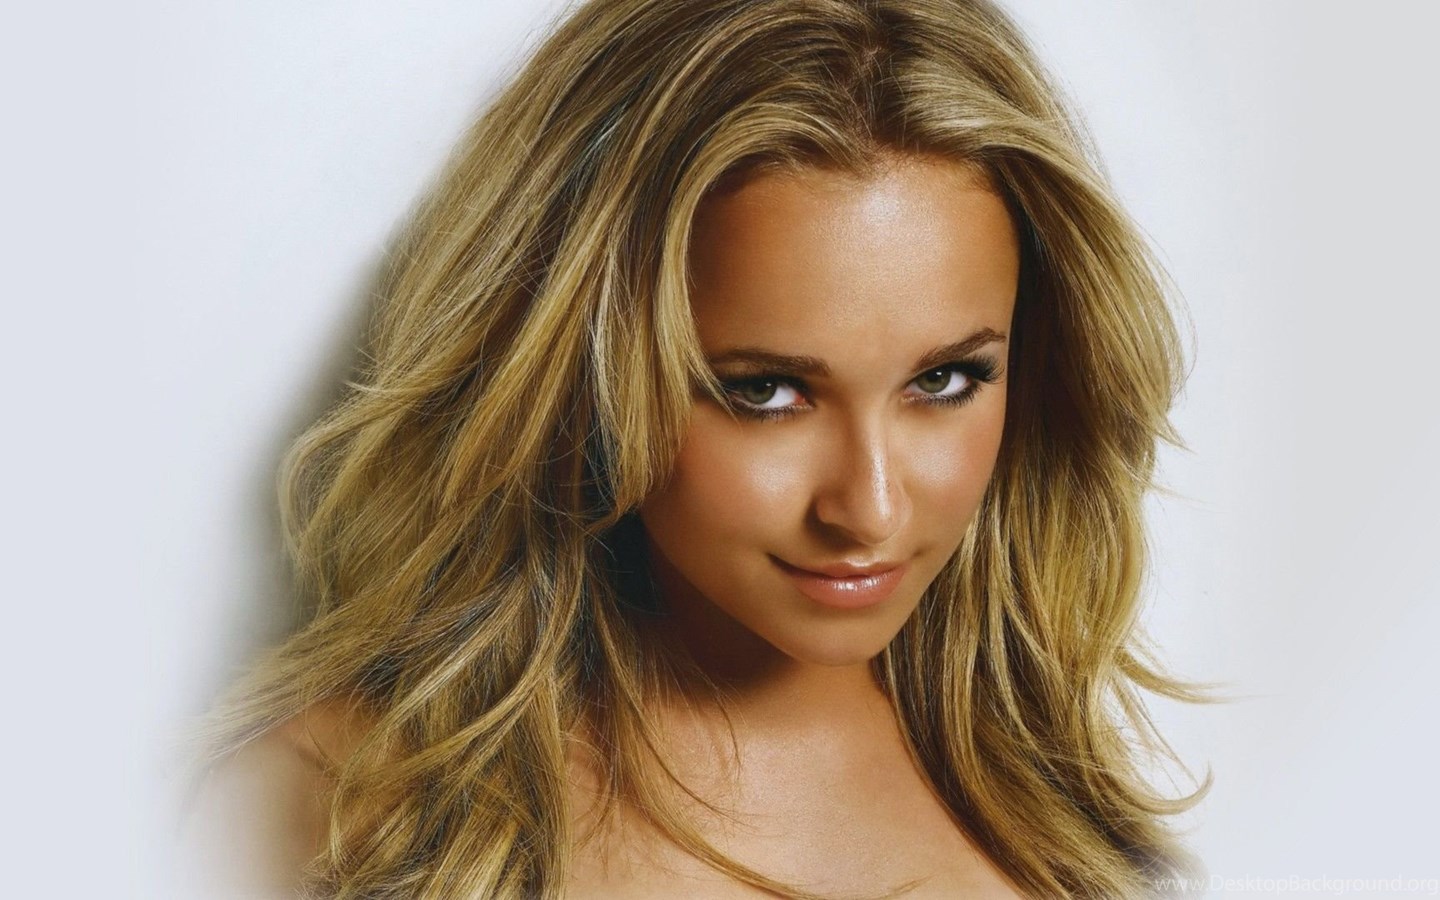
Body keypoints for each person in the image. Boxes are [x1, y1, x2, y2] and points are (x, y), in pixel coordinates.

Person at [180, 0, 1211, 896]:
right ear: (585, 376)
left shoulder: (1068, 802)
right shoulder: (334, 810)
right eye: (765, 392)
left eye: (943, 381)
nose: (871, 507)